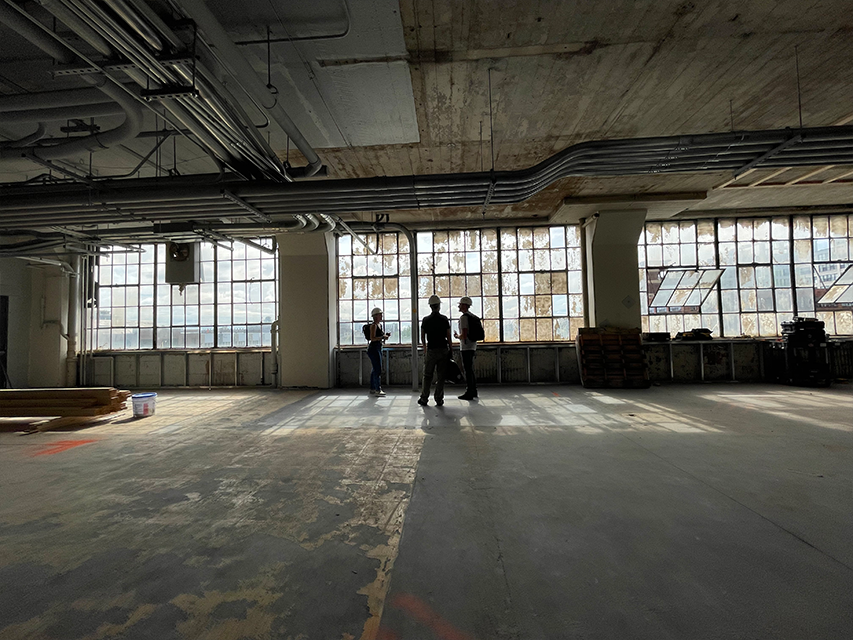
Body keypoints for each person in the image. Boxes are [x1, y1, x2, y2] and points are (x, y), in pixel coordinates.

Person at [418, 295, 452, 407]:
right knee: (441, 376)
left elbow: (422, 337)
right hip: (443, 350)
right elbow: (448, 336)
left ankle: (424, 398)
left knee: (427, 375)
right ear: (439, 306)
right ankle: (439, 399)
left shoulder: (426, 320)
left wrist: (425, 349)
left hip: (431, 350)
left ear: (430, 307)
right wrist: (450, 349)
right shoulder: (444, 319)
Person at [453, 296, 478, 400]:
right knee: (470, 369)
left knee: (467, 370)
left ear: (464, 306)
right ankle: (474, 390)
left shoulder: (464, 318)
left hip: (466, 347)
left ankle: (469, 392)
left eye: (460, 304)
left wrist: (456, 336)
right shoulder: (472, 316)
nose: (459, 306)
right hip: (472, 346)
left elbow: (463, 335)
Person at [367, 307, 390, 397]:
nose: (381, 316)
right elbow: (372, 338)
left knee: (375, 369)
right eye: (380, 314)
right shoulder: (374, 326)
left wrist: (384, 336)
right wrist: (382, 337)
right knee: (377, 369)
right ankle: (377, 389)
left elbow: (378, 337)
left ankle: (373, 388)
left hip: (378, 348)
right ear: (375, 316)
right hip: (374, 349)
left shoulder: (379, 325)